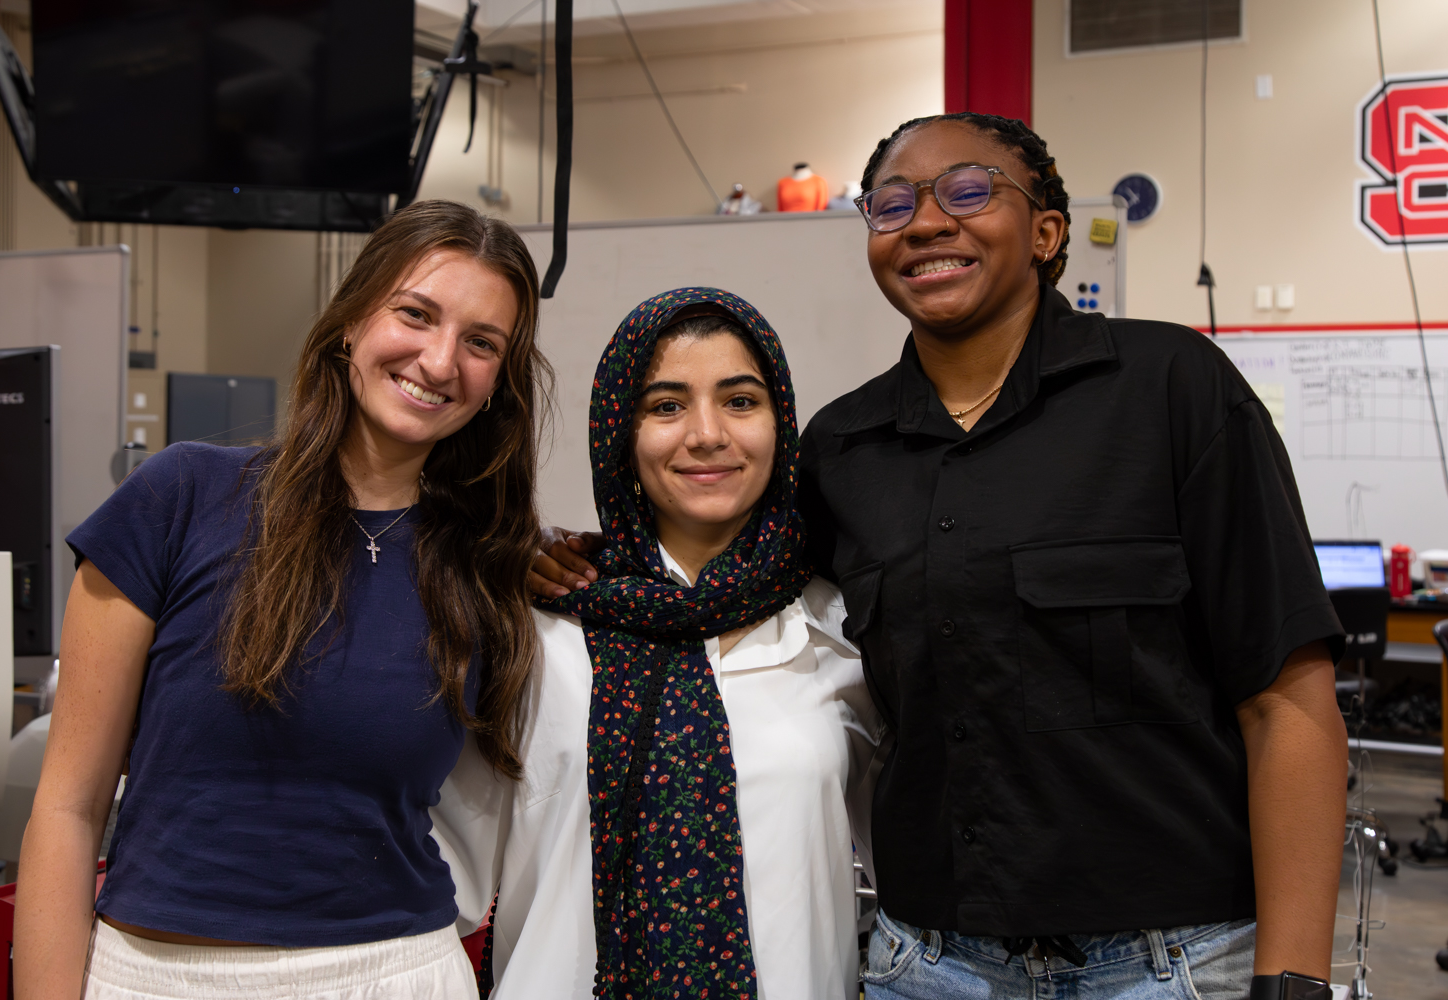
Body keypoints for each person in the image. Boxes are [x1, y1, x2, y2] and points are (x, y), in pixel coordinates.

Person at [533, 114, 1348, 1000]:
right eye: (892, 204)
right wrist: (578, 562)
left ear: (1046, 230)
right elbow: (731, 574)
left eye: (968, 190)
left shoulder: (1173, 389)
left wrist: (1295, 977)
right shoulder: (841, 451)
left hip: (1170, 963)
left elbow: (1287, 700)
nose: (925, 222)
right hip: (927, 965)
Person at [15, 200, 552, 1000]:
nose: (441, 362)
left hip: (396, 974)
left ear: (498, 382)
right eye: (415, 313)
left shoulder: (488, 566)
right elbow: (67, 808)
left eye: (481, 344)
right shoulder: (180, 496)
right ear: (350, 321)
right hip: (158, 977)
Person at [435, 288, 882, 1000]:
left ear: (782, 423)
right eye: (666, 406)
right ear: (621, 432)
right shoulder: (537, 629)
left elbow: (916, 869)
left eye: (740, 401)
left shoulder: (845, 629)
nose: (706, 434)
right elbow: (438, 877)